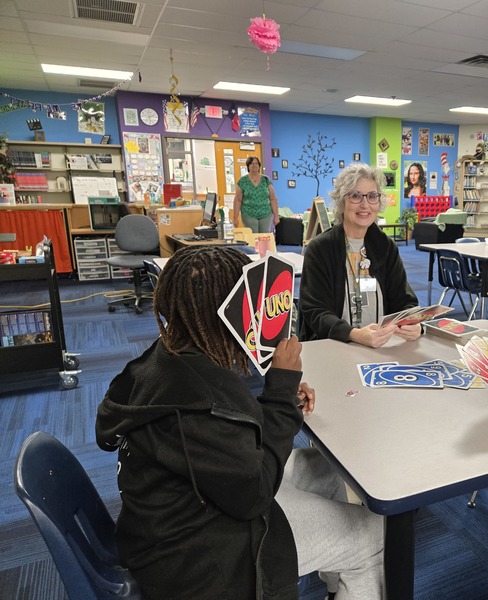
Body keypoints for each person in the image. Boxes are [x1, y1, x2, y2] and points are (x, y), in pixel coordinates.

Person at [96, 245, 384, 600]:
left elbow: (224, 433)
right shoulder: (194, 409)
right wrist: (279, 391)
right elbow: (254, 493)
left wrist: (278, 399)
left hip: (190, 509)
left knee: (319, 467)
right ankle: (355, 561)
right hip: (202, 559)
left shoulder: (172, 358)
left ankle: (339, 579)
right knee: (374, 534)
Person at [299, 163, 420, 348]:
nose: (365, 204)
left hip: (383, 348)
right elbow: (315, 312)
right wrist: (354, 334)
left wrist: (415, 324)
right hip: (334, 347)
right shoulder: (320, 249)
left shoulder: (386, 247)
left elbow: (404, 301)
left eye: (372, 196)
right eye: (356, 196)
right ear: (341, 202)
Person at [233, 155, 281, 233]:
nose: (254, 165)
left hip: (265, 213)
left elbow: (273, 198)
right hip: (249, 213)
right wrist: (235, 217)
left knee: (264, 237)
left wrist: (276, 216)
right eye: (252, 163)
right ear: (248, 166)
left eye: (256, 163)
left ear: (259, 166)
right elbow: (238, 200)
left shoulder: (266, 180)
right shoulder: (242, 181)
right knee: (253, 236)